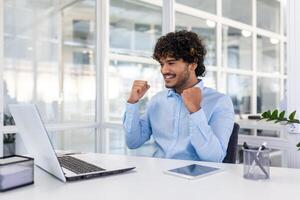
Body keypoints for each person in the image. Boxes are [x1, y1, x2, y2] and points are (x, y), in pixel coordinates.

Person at [123, 30, 234, 162]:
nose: (164, 70)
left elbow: (215, 158)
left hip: (196, 179)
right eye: (162, 64)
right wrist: (133, 102)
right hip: (158, 175)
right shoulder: (157, 100)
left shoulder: (220, 102)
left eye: (171, 63)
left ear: (192, 64)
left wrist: (195, 111)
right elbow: (133, 142)